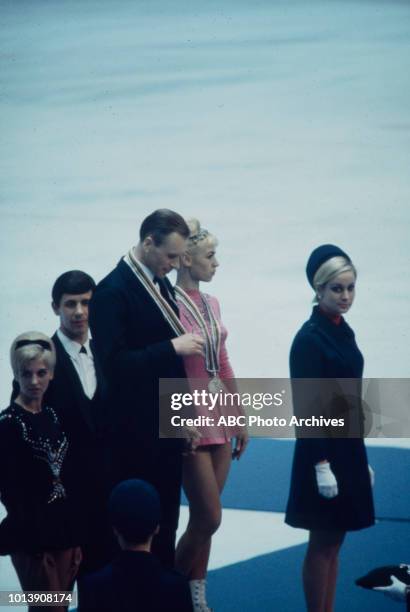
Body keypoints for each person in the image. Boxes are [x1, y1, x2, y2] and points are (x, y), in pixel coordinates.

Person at [89, 209, 205, 568]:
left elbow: (172, 366)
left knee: (166, 526)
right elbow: (114, 366)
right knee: (130, 536)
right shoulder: (111, 292)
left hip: (164, 430)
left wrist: (183, 415)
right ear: (147, 242)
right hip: (130, 437)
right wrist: (171, 347)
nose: (174, 265)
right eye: (170, 256)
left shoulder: (160, 283)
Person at [285, 244, 375, 612]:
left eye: (351, 287)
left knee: (335, 542)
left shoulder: (343, 330)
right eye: (337, 289)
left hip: (347, 448)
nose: (346, 296)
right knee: (321, 543)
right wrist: (322, 465)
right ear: (318, 290)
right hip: (321, 453)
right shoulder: (309, 340)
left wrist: (359, 454)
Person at [174, 219, 248, 612]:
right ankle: (165, 590)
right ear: (186, 259)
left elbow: (222, 360)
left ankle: (195, 594)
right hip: (188, 418)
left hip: (220, 414)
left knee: (207, 521)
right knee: (208, 517)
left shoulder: (212, 303)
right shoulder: (168, 302)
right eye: (210, 256)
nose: (216, 263)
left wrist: (241, 416)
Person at [0, 332, 82, 612]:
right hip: (31, 540)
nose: (34, 381)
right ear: (16, 375)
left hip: (64, 535)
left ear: (51, 375)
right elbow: (10, 492)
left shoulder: (54, 417)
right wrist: (36, 549)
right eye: (26, 374)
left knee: (58, 607)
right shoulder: (8, 424)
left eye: (41, 373)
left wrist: (74, 539)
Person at [48, 270, 113, 575]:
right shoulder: (40, 362)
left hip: (104, 500)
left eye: (86, 303)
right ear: (55, 307)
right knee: (52, 597)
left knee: (99, 590)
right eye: (70, 304)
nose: (79, 312)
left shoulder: (107, 353)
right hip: (61, 506)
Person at [78, 479, 193, 612]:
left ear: (115, 529)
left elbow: (58, 599)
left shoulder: (92, 586)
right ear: (157, 528)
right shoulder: (178, 587)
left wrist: (52, 591)